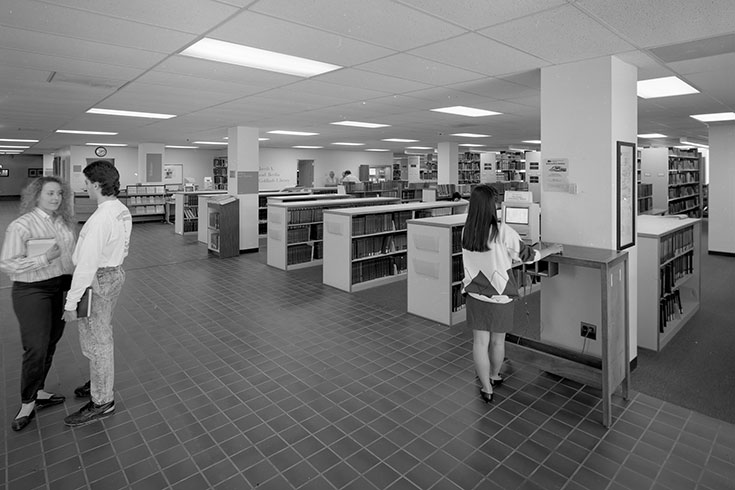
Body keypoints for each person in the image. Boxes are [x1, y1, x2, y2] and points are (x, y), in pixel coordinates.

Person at [461, 184, 560, 403]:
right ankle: (495, 375)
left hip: (475, 294)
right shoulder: (502, 231)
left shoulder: (466, 230)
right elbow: (528, 255)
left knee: (479, 342)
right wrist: (552, 249)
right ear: (490, 206)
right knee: (497, 342)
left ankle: (486, 388)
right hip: (500, 295)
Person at [0, 176, 77, 431]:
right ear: (36, 196)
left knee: (51, 341)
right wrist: (43, 259)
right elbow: (7, 263)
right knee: (35, 347)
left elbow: (68, 257)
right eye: (50, 194)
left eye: (59, 194)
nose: (56, 198)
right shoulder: (21, 226)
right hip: (31, 289)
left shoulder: (63, 223)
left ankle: (40, 391)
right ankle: (27, 402)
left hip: (59, 286)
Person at [62, 161, 132, 428]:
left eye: (87, 182)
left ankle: (102, 400)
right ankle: (100, 379)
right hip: (114, 273)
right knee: (101, 333)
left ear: (96, 184)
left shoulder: (101, 218)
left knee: (97, 339)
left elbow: (87, 266)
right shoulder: (120, 210)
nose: (84, 187)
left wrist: (71, 303)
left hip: (99, 278)